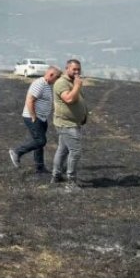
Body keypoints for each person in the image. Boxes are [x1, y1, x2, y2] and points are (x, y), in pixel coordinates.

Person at [9, 66, 61, 173]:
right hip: (33, 117)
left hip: (41, 118)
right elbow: (30, 100)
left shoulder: (46, 85)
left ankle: (40, 168)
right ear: (51, 75)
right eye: (57, 77)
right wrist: (33, 116)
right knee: (40, 141)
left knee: (38, 143)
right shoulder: (39, 83)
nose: (57, 80)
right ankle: (17, 152)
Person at [51, 59, 89, 189]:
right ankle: (71, 181)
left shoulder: (71, 82)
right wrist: (78, 85)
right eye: (74, 69)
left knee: (63, 150)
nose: (77, 72)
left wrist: (83, 115)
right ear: (67, 68)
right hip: (66, 124)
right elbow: (69, 98)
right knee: (76, 151)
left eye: (79, 69)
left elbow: (78, 99)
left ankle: (56, 176)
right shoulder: (61, 83)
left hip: (72, 122)